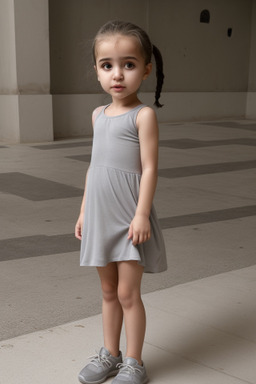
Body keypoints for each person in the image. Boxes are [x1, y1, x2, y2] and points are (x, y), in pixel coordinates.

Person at [75, 20, 167, 384]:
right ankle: (109, 354)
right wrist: (84, 211)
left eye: (128, 65)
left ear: (145, 70)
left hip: (130, 218)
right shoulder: (98, 116)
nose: (117, 74)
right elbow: (93, 167)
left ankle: (133, 361)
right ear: (97, 70)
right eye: (107, 65)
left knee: (129, 293)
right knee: (108, 290)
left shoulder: (143, 116)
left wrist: (142, 214)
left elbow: (149, 169)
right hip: (100, 214)